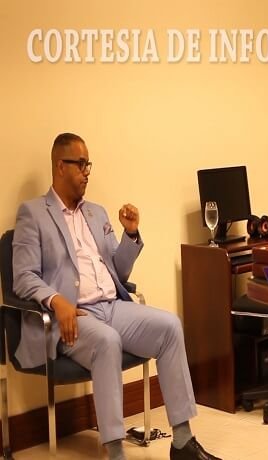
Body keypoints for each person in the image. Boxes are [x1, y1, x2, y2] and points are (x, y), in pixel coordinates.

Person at [12, 133, 221, 460]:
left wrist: (130, 234)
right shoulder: (33, 213)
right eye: (81, 164)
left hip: (112, 306)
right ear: (60, 166)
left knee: (170, 326)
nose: (87, 172)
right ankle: (115, 452)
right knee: (108, 341)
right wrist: (57, 301)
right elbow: (23, 276)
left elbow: (118, 272)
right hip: (73, 316)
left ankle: (182, 441)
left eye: (88, 165)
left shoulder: (96, 213)